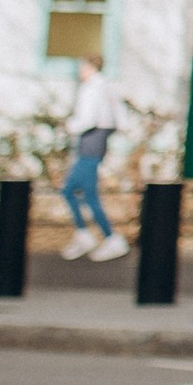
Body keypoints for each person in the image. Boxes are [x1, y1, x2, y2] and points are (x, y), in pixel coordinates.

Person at [59, 70, 127, 261]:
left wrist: (69, 126)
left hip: (90, 144)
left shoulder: (92, 88)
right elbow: (120, 115)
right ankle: (89, 235)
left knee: (74, 191)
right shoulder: (107, 86)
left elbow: (87, 118)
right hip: (96, 143)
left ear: (89, 67)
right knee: (81, 193)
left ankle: (107, 237)